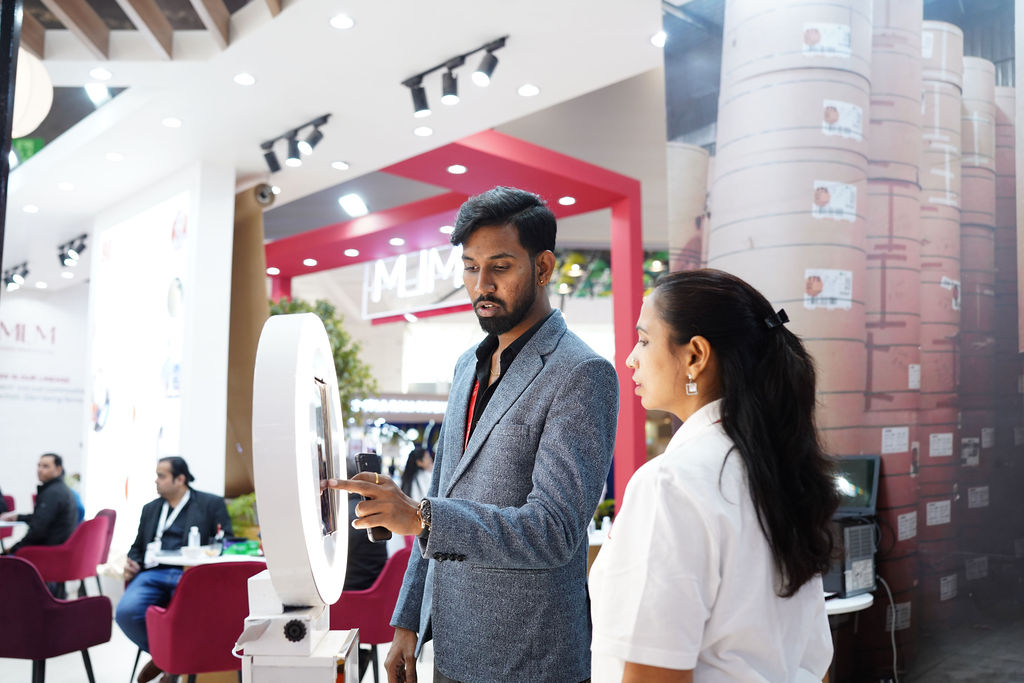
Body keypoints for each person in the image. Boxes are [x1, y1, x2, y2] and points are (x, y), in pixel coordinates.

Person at [329, 186, 619, 683]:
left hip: (532, 659)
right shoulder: (469, 365)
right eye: (469, 267)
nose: (481, 284)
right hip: (453, 650)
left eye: (500, 267)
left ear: (543, 268)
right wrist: (407, 622)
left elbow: (554, 531)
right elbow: (445, 491)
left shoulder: (581, 373)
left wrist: (421, 516)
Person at [589, 269, 839, 682]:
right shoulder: (777, 472)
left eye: (645, 340)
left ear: (695, 356)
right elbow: (815, 660)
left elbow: (656, 672)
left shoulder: (671, 482)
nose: (631, 357)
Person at [116, 456, 231, 683]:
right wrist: (133, 563)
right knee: (126, 613)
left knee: (195, 619)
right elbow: (137, 546)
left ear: (180, 479)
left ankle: (169, 661)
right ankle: (166, 659)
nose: (156, 481)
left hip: (189, 574)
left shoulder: (210, 504)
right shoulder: (150, 509)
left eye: (161, 476)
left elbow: (226, 541)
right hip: (153, 573)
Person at [1, 453, 78, 556]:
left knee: (4, 559)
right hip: (57, 549)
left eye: (45, 466)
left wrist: (13, 549)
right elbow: (41, 519)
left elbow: (37, 531)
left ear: (58, 469)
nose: (40, 470)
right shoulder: (60, 489)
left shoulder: (53, 493)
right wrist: (18, 517)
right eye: (39, 465)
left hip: (46, 553)